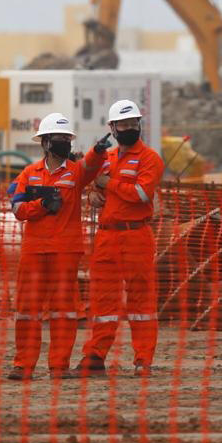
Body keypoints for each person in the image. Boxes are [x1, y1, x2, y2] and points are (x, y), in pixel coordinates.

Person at [8, 112, 106, 380]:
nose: (65, 142)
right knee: (28, 309)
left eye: (67, 138)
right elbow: (17, 209)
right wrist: (41, 206)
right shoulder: (29, 173)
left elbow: (91, 166)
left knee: (63, 310)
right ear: (46, 142)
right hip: (34, 250)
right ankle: (23, 365)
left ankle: (59, 365)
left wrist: (98, 151)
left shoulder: (76, 173)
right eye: (59, 138)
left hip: (65, 249)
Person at [74, 99, 164, 378]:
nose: (129, 129)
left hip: (136, 235)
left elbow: (141, 194)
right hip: (107, 237)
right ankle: (95, 357)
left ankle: (143, 360)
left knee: (141, 302)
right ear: (112, 128)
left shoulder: (150, 159)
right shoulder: (108, 159)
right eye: (123, 125)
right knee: (102, 302)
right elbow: (90, 182)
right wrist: (95, 196)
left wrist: (107, 185)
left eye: (133, 124)